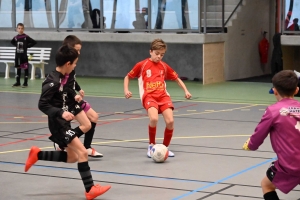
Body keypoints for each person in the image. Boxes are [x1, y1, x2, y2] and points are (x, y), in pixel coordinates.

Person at [24, 45, 111, 199]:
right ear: (68, 64)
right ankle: (90, 189)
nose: (76, 66)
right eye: (75, 63)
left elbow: (64, 93)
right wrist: (61, 112)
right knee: (83, 152)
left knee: (73, 157)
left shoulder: (62, 78)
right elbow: (42, 104)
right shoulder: (53, 81)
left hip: (64, 123)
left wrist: (74, 96)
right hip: (58, 124)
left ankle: (38, 154)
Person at [124, 38, 192, 158]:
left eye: (162, 54)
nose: (159, 57)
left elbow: (177, 78)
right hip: (149, 96)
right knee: (154, 119)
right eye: (157, 54)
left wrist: (186, 90)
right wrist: (126, 90)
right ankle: (151, 145)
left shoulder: (164, 66)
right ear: (150, 51)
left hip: (163, 97)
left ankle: (165, 148)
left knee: (170, 121)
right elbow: (127, 77)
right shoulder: (142, 65)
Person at [242, 70, 300, 200]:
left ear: (274, 90)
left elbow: (258, 136)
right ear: (296, 90)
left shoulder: (273, 111)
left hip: (290, 165)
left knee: (267, 185)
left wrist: (250, 145)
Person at [53, 35, 103, 158]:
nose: (79, 53)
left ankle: (86, 147)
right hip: (68, 101)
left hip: (73, 97)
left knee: (93, 117)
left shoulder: (72, 64)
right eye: (77, 49)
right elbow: (64, 86)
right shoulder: (65, 65)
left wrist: (78, 88)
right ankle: (62, 142)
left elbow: (72, 81)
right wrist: (74, 94)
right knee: (88, 123)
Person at [11, 23, 37, 87]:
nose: (20, 30)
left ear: (24, 29)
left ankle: (25, 83)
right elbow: (12, 42)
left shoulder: (26, 37)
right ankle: (18, 82)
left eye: (22, 28)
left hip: (24, 56)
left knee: (25, 69)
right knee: (18, 68)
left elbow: (34, 42)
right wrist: (16, 46)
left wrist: (26, 46)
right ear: (17, 29)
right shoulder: (16, 37)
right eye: (19, 28)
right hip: (17, 56)